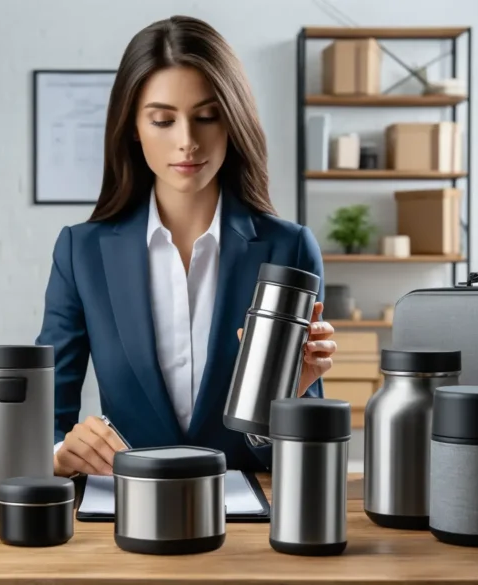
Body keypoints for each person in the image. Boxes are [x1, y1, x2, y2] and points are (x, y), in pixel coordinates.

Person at [35, 15, 337, 478]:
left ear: (232, 120)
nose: (187, 142)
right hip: (124, 516)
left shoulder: (289, 248)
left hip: (249, 526)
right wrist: (61, 452)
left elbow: (298, 462)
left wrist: (288, 403)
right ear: (133, 127)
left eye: (207, 116)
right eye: (162, 120)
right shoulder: (82, 252)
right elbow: (46, 420)